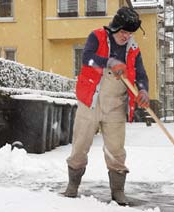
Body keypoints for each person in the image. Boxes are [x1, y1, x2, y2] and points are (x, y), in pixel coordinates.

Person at [63, 6, 149, 205]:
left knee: (116, 150)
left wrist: (143, 91)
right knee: (80, 146)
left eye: (130, 33)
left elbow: (141, 74)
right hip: (90, 101)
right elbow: (87, 58)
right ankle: (73, 185)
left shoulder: (133, 50)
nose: (126, 36)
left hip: (115, 106)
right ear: (115, 27)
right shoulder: (97, 36)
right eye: (123, 32)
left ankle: (117, 191)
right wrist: (109, 62)